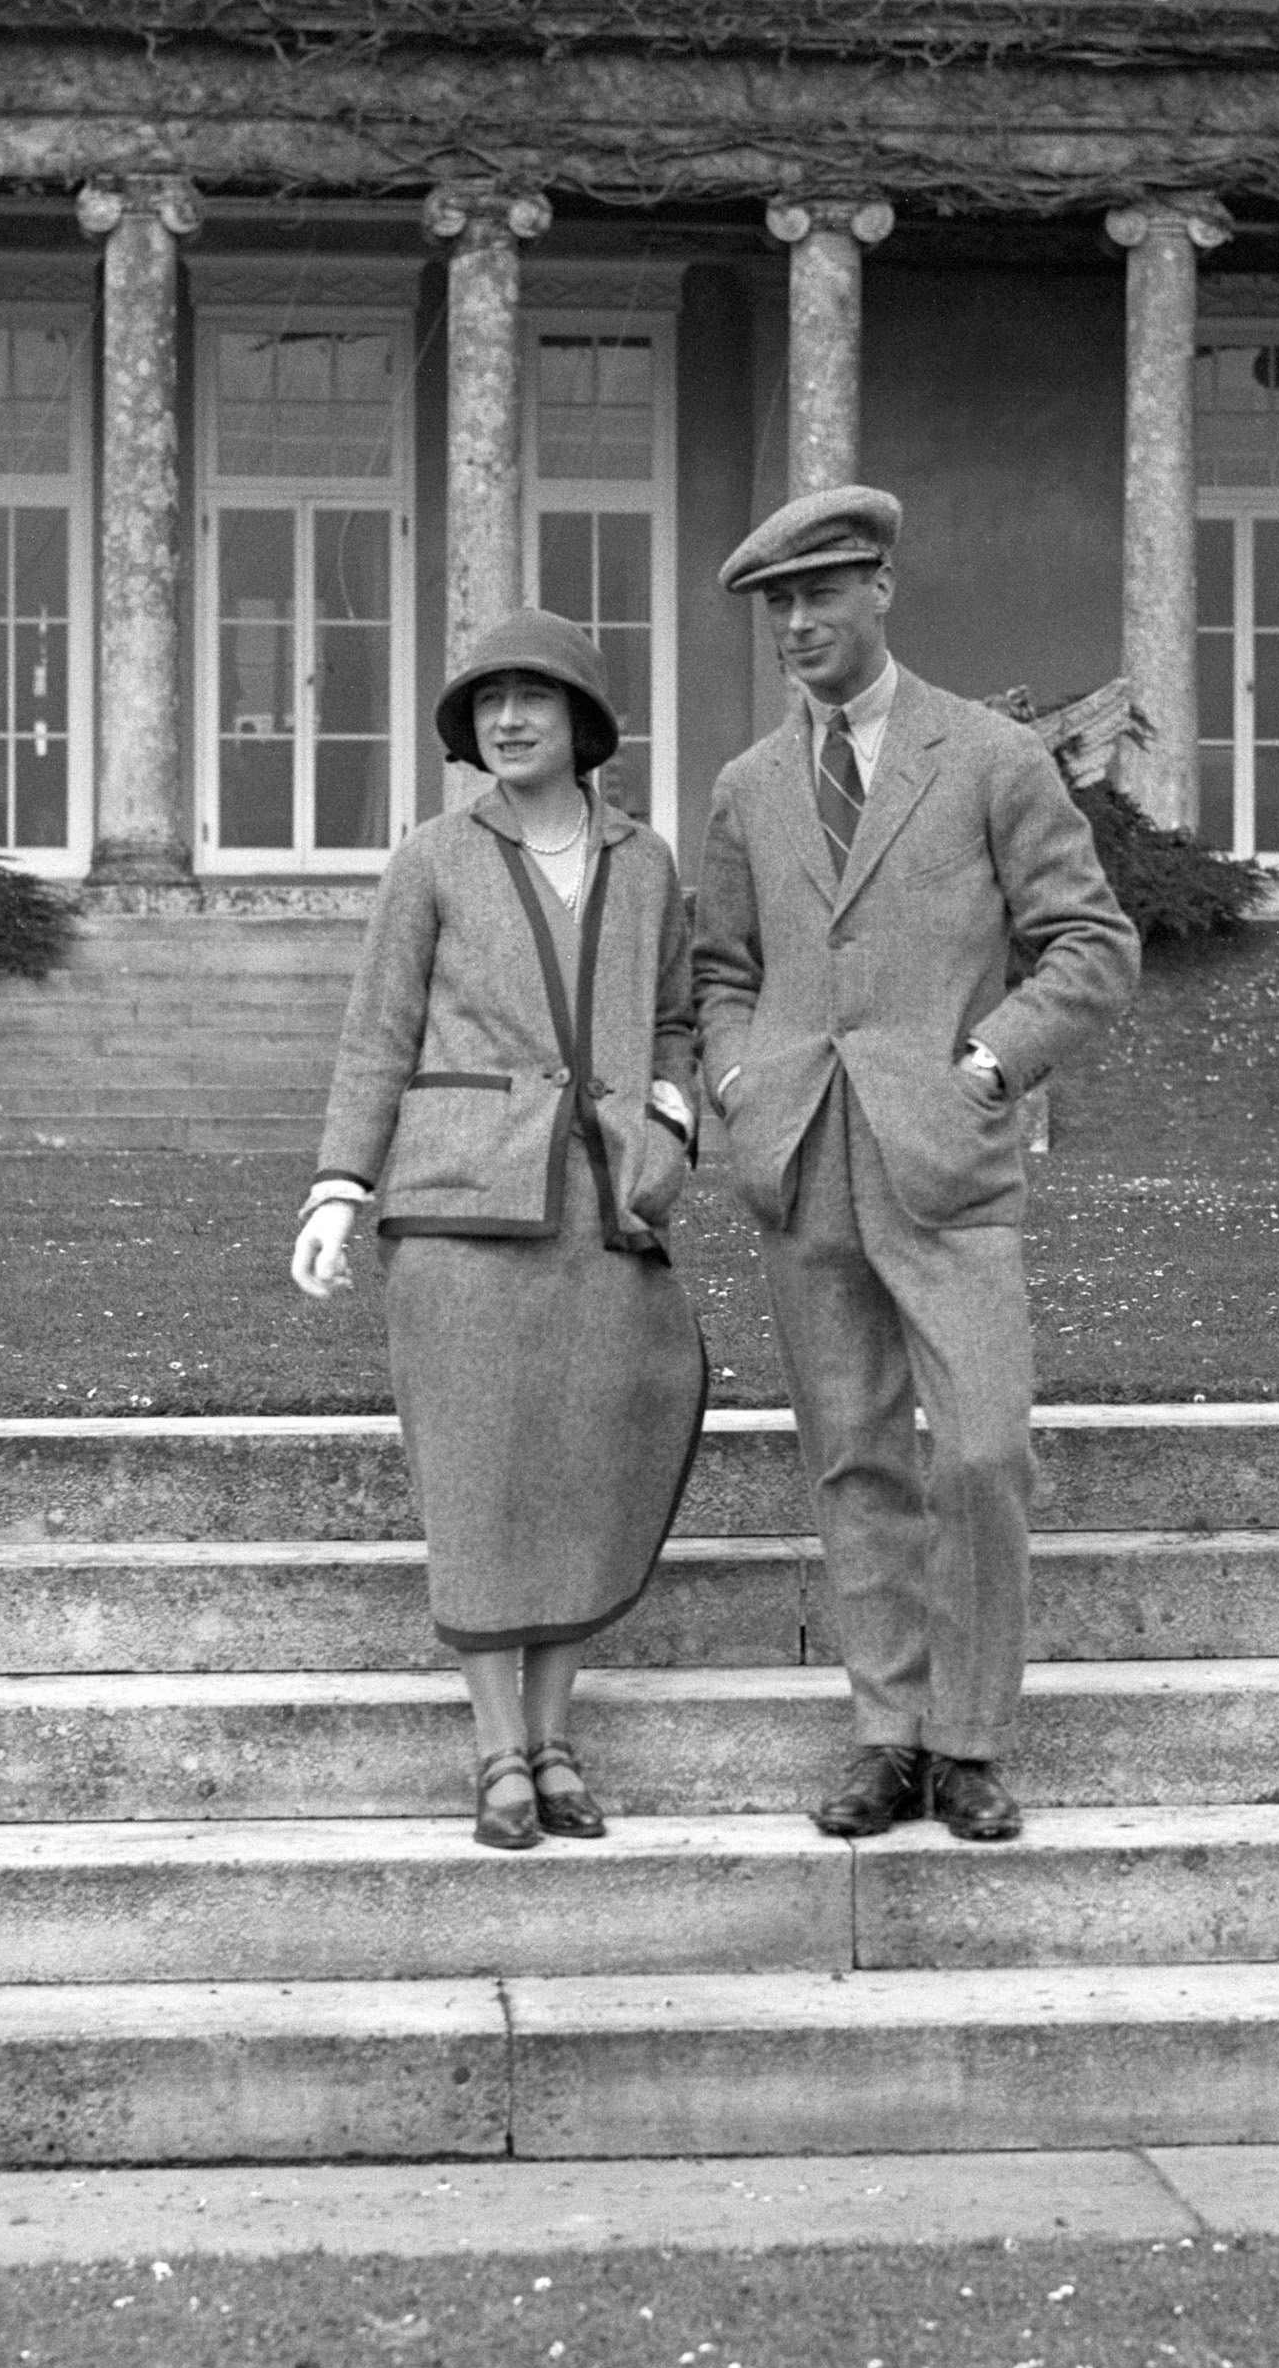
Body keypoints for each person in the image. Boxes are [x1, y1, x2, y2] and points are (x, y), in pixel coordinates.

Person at [692, 485, 1139, 1846]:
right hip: (804, 1156)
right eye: (778, 602)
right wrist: (739, 1077)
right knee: (854, 1459)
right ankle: (888, 1735)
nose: (798, 623)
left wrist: (991, 1063)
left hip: (948, 1157)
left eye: (822, 592)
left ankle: (973, 1739)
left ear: (881, 587)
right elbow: (722, 969)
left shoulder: (993, 757)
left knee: (985, 1449)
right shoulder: (748, 787)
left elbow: (1093, 942)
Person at [292, 608, 709, 1851]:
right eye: (487, 703)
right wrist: (336, 1185)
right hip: (461, 1208)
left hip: (604, 1207)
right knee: (478, 1478)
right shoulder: (430, 857)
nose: (509, 719)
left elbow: (678, 1016)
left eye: (533, 698)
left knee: (585, 1469)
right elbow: (378, 1033)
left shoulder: (648, 863)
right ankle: (496, 1757)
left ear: (584, 722)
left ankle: (558, 1735)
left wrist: (673, 1115)